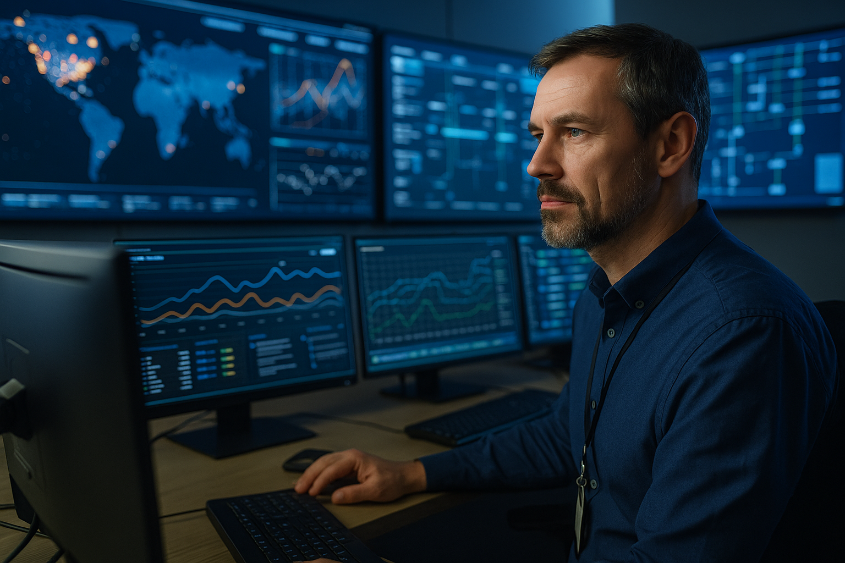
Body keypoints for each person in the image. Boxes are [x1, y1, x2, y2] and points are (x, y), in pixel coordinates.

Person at [294, 23, 838, 562]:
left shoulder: (743, 332)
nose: (537, 164)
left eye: (574, 132)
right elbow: (568, 435)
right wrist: (412, 472)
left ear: (671, 145)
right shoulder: (605, 293)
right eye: (538, 135)